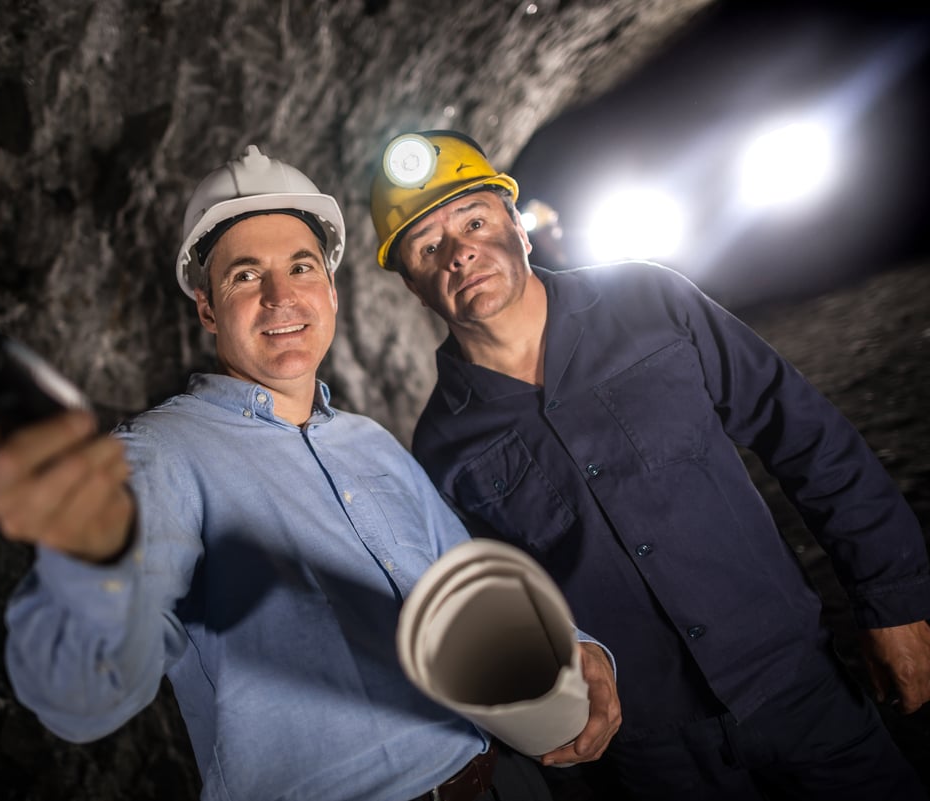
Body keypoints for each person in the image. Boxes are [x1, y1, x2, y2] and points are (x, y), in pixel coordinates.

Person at [0, 144, 623, 801]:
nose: (282, 297)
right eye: (246, 275)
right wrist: (89, 562)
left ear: (332, 292)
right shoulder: (158, 455)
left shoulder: (371, 443)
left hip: (499, 779)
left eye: (301, 266)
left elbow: (469, 584)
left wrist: (579, 648)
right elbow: (86, 695)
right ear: (207, 308)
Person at [367, 129, 930, 801]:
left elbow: (803, 433)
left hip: (797, 685)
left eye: (475, 219)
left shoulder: (649, 301)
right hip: (654, 753)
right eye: (429, 247)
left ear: (517, 224)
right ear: (414, 286)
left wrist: (893, 600)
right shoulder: (442, 446)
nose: (460, 252)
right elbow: (501, 606)